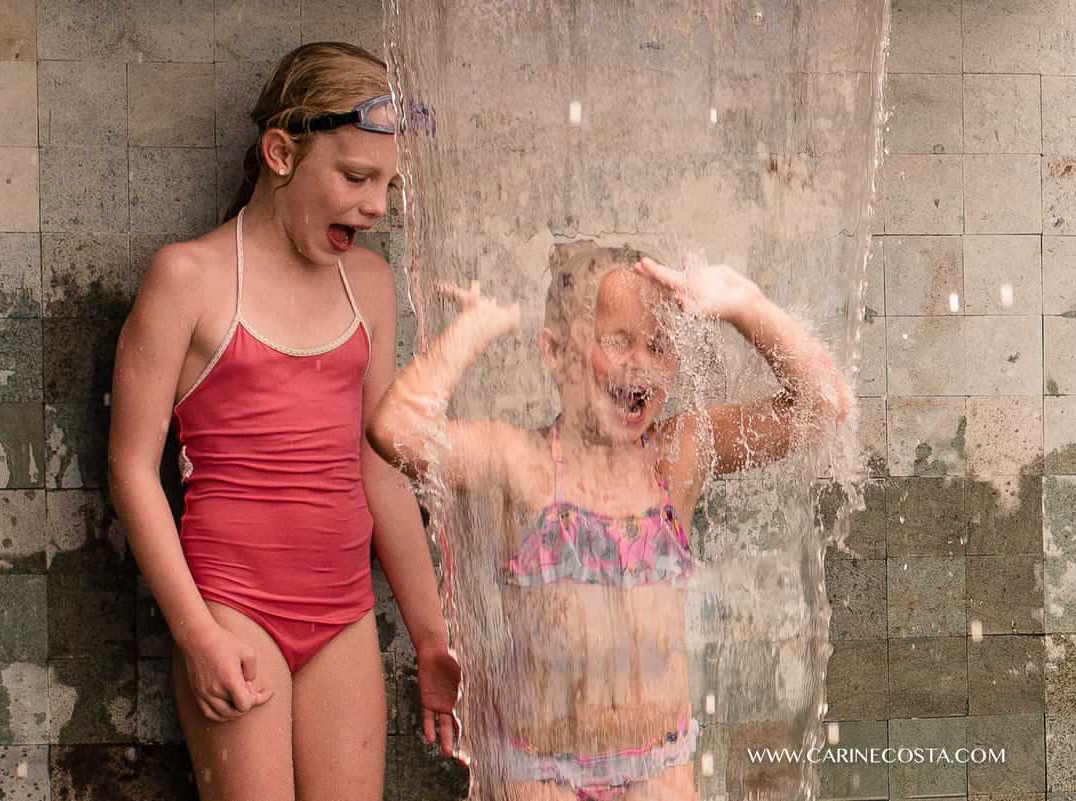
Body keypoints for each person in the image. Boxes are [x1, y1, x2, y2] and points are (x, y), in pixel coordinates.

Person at [367, 240, 851, 800]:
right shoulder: (520, 462)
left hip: (658, 766)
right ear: (554, 352)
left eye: (660, 346)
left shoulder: (677, 456)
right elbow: (394, 432)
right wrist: (471, 332)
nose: (640, 363)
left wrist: (748, 307)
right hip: (539, 770)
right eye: (617, 341)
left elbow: (824, 405)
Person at [108, 41, 459, 801]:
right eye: (356, 176)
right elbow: (133, 467)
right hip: (234, 608)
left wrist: (431, 634)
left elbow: (380, 464)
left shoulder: (368, 283)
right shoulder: (189, 278)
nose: (374, 204)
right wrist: (196, 632)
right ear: (279, 153)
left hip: (344, 615)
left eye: (388, 185)